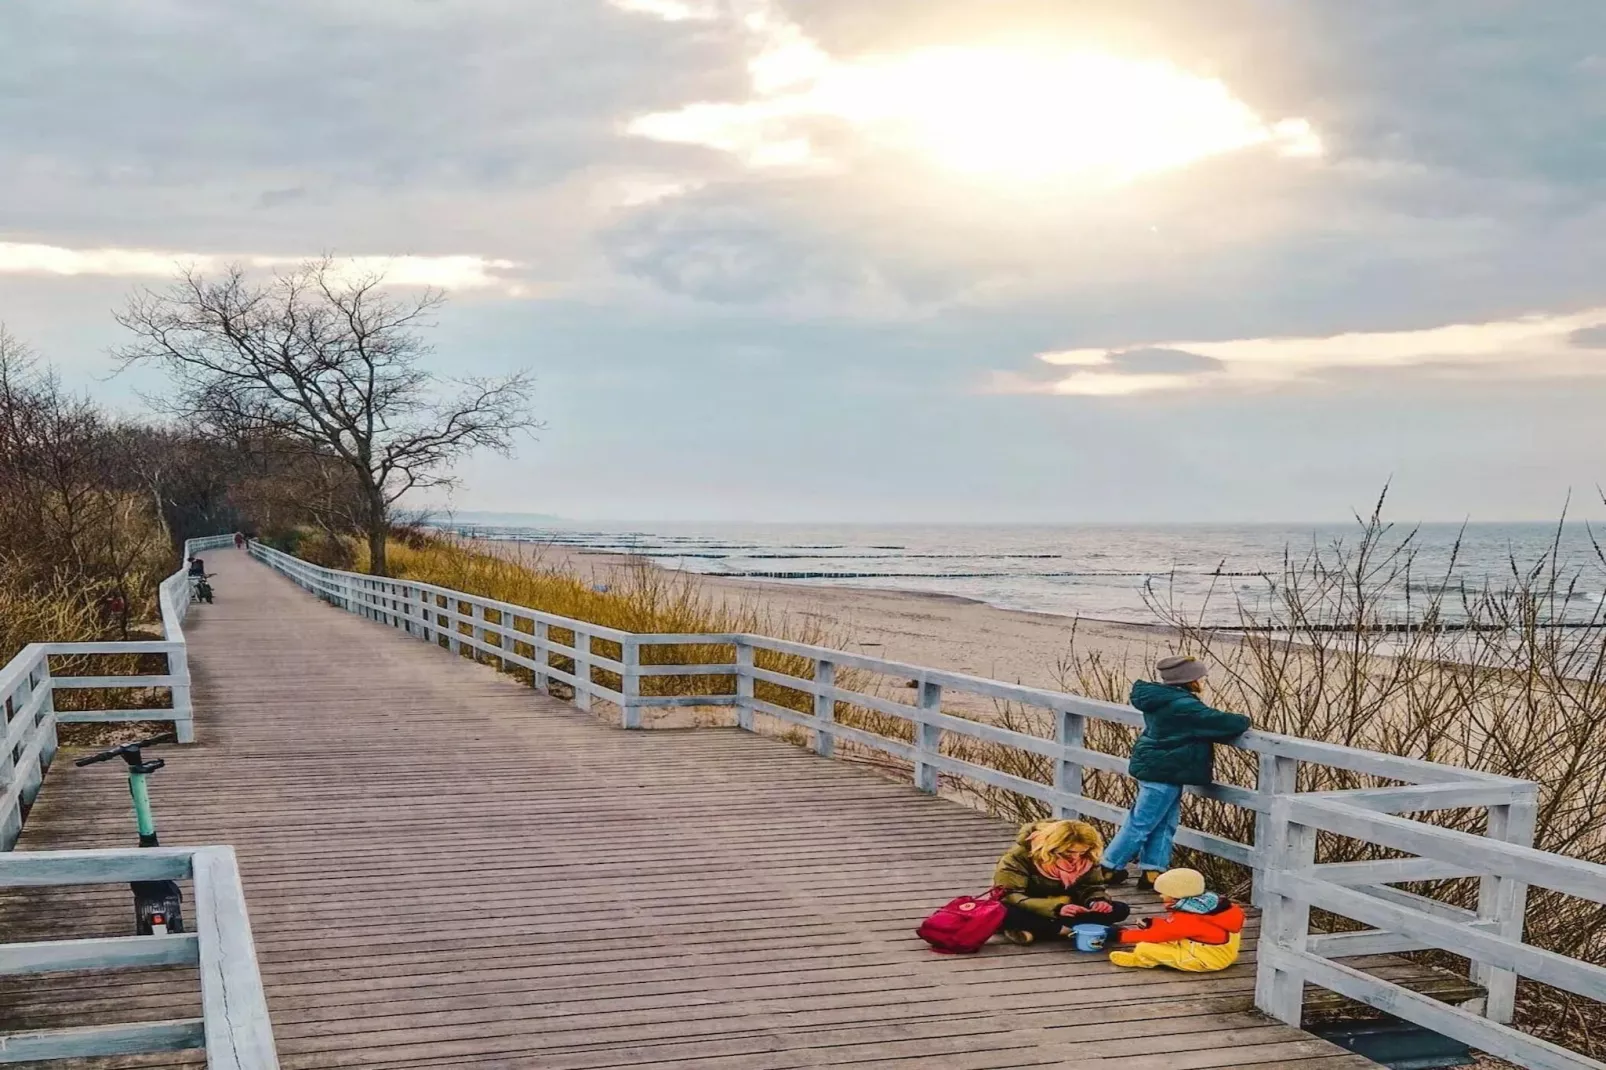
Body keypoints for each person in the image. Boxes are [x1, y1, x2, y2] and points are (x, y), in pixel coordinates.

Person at [1100, 655, 1250, 892]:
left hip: (1160, 767)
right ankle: (1108, 866)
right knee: (1142, 822)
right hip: (1164, 769)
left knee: (1164, 822)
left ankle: (1153, 870)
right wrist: (1245, 718)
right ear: (1189, 680)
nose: (1202, 680)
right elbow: (1226, 723)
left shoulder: (1163, 700)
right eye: (1199, 676)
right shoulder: (1183, 706)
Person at [993, 819, 1131, 945]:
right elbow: (1010, 895)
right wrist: (1057, 908)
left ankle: (1040, 929)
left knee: (1120, 909)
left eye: (1082, 852)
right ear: (1053, 846)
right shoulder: (1017, 857)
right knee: (1003, 911)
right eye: (1069, 852)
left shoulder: (1088, 857)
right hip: (1030, 905)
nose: (1076, 858)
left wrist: (1096, 901)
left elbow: (1091, 886)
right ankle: (1067, 929)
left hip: (1069, 906)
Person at [1108, 868, 1244, 972]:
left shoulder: (1189, 918)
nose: (1161, 896)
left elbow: (1158, 935)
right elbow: (1174, 928)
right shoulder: (1209, 905)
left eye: (1164, 893)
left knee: (1145, 947)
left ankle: (1140, 959)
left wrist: (1121, 935)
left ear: (1176, 895)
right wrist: (1152, 923)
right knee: (1170, 939)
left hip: (1206, 959)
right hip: (1220, 952)